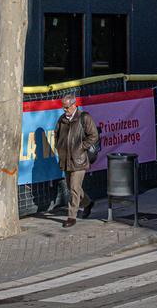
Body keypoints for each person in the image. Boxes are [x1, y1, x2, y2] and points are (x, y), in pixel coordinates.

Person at [54, 94, 98, 228]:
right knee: (73, 187)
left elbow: (94, 135)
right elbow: (57, 135)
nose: (64, 110)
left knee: (73, 188)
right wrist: (59, 147)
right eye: (63, 107)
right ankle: (88, 202)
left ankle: (72, 216)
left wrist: (81, 147)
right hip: (66, 159)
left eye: (66, 107)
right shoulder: (62, 119)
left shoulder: (84, 118)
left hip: (79, 159)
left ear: (74, 105)